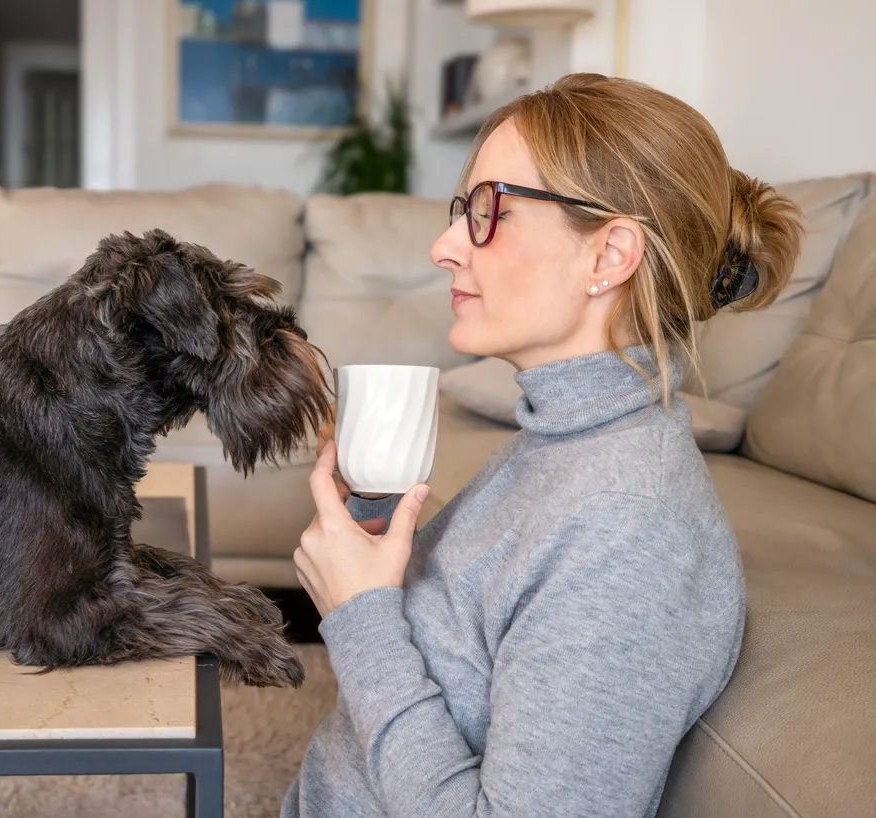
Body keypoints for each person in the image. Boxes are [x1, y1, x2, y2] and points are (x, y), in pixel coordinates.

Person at [283, 72, 804, 817]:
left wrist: (360, 615)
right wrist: (372, 534)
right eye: (461, 210)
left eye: (489, 210)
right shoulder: (557, 442)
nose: (443, 247)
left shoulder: (630, 528)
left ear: (609, 255)